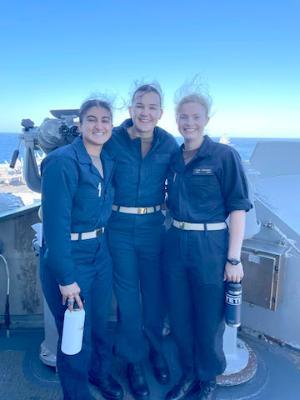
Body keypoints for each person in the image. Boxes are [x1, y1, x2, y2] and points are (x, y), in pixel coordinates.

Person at [163, 87, 252, 400]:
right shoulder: (173, 157)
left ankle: (207, 379)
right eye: (183, 117)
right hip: (175, 243)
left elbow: (238, 207)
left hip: (211, 246)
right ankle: (187, 373)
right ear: (176, 120)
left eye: (195, 117)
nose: (189, 122)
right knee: (179, 314)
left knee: (208, 317)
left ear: (206, 119)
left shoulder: (223, 156)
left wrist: (234, 259)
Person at [40, 99, 124, 400]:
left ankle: (99, 375)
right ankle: (76, 394)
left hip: (100, 253)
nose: (99, 125)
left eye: (105, 120)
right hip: (70, 257)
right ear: (79, 124)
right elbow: (54, 226)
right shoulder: (63, 162)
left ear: (112, 126)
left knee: (100, 323)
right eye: (91, 119)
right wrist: (65, 277)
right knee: (76, 333)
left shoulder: (106, 160)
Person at [105, 83, 179, 399]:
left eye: (151, 107)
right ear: (131, 108)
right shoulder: (113, 141)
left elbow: (182, 183)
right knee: (128, 298)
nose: (145, 112)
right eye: (139, 105)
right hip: (119, 227)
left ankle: (155, 349)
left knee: (154, 295)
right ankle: (133, 361)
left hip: (153, 227)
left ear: (160, 113)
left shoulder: (168, 144)